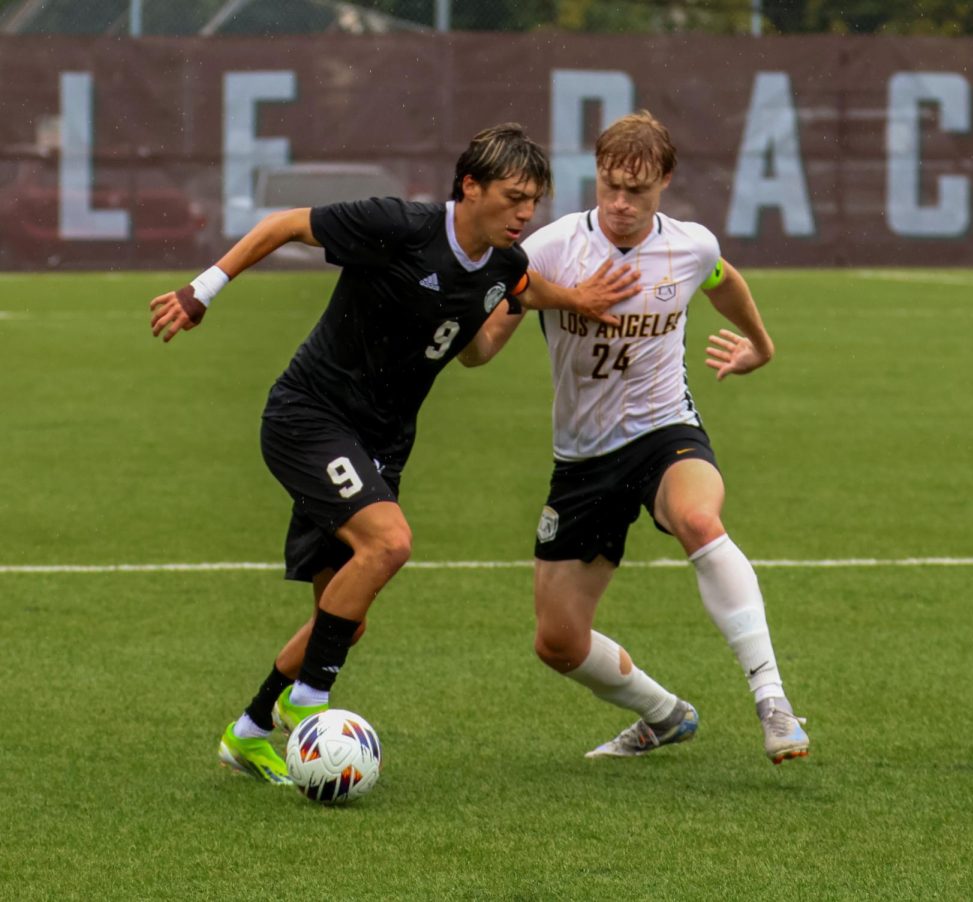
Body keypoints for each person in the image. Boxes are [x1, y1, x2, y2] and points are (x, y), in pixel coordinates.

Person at [149, 123, 638, 784]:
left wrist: (574, 299)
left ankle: (250, 730)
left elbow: (520, 294)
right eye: (514, 196)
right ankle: (313, 705)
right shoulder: (398, 226)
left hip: (381, 444)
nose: (526, 212)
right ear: (471, 186)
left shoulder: (504, 263)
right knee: (388, 544)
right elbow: (286, 224)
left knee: (342, 623)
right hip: (310, 417)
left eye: (535, 200)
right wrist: (201, 291)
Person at [459, 111, 809, 764]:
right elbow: (480, 350)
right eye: (610, 186)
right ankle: (662, 715)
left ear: (666, 183)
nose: (620, 204)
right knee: (557, 642)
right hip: (583, 458)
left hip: (663, 429)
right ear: (595, 176)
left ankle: (773, 700)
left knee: (698, 518)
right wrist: (559, 299)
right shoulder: (550, 250)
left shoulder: (690, 245)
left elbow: (721, 279)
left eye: (638, 191)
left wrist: (760, 347)